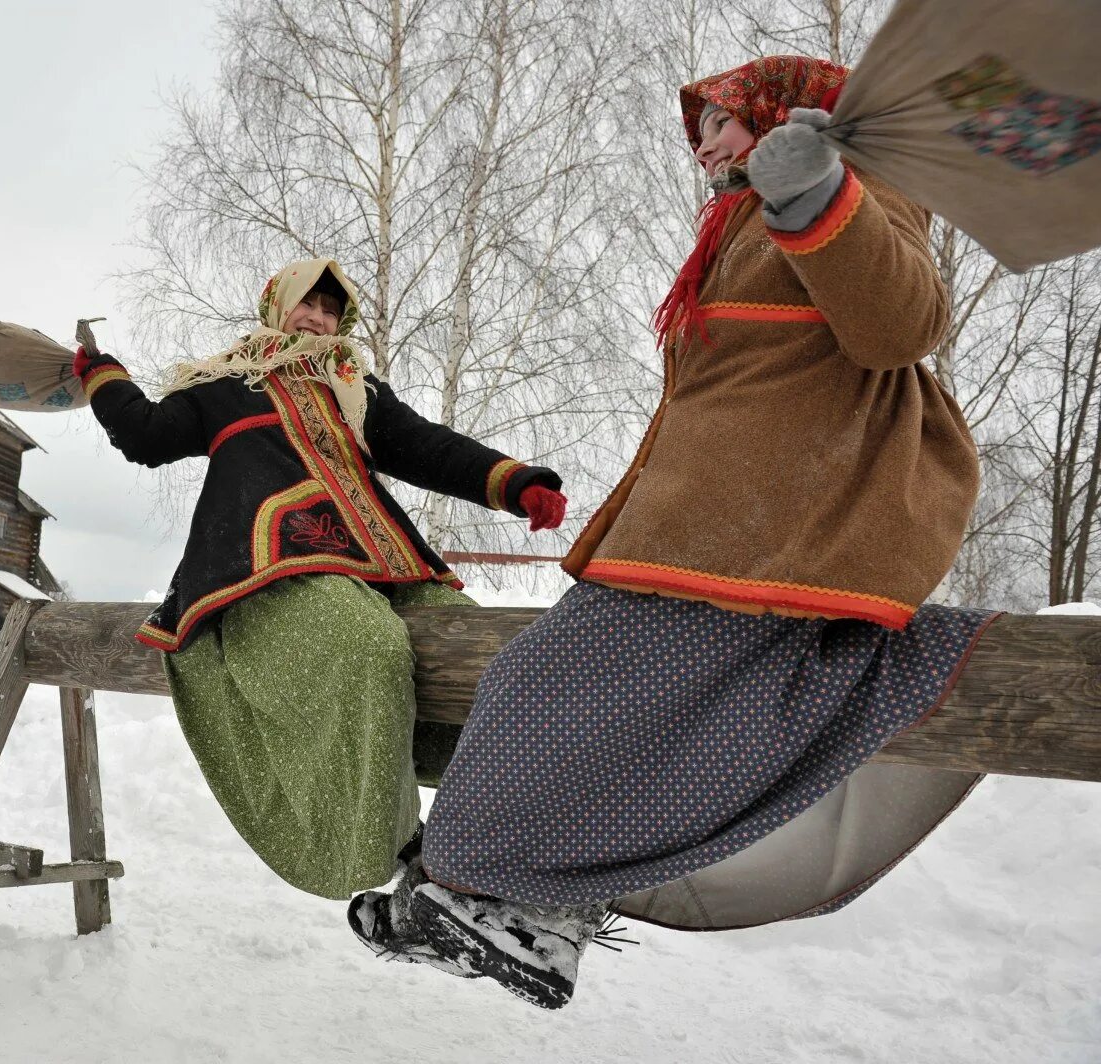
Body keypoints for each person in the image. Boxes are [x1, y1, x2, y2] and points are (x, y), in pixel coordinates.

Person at [356, 56, 1000, 1011]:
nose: (701, 141)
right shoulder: (740, 220)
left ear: (785, 117)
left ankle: (498, 892)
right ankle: (502, 899)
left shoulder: (854, 183)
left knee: (551, 686)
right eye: (697, 125)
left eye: (721, 121)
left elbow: (903, 324)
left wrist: (820, 196)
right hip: (706, 526)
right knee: (565, 695)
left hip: (778, 528)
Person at [73, 257, 566, 906]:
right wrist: (101, 374)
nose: (318, 317)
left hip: (381, 560)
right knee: (369, 647)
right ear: (277, 307)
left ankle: (519, 837)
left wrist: (513, 481)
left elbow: (425, 446)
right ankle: (404, 863)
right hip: (268, 568)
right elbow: (146, 436)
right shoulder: (227, 386)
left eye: (332, 309)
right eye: (307, 303)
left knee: (490, 650)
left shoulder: (353, 388)